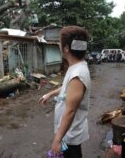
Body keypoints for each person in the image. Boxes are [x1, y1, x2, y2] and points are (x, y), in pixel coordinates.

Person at [39, 26, 91, 158]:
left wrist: (57, 139)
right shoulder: (76, 67)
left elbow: (70, 111)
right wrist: (50, 94)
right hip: (68, 131)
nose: (58, 45)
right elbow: (67, 88)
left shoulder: (77, 74)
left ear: (66, 48)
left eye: (59, 43)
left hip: (70, 133)